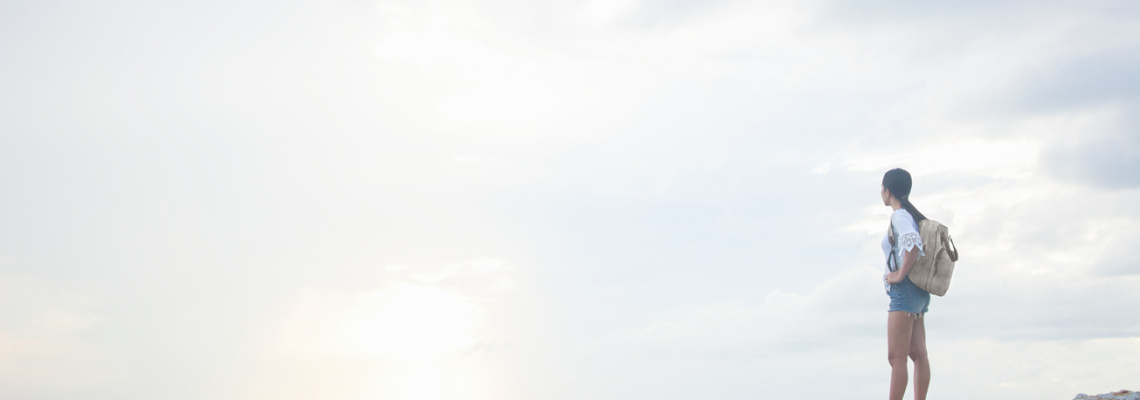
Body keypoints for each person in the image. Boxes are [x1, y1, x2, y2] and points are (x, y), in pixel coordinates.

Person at [880, 168, 931, 400]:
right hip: (918, 291)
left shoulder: (899, 216)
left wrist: (900, 274)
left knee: (896, 357)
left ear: (887, 191)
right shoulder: (910, 214)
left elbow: (912, 244)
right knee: (918, 355)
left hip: (905, 290)